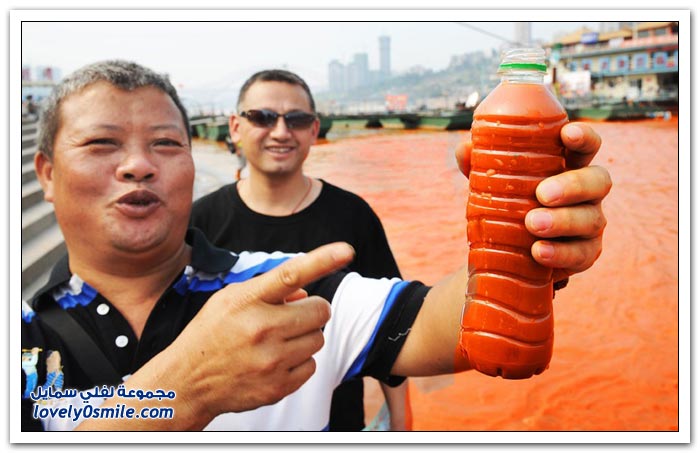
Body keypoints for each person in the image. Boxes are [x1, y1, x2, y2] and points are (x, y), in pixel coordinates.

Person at [21, 60, 611, 431]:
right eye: (101, 143)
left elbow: (441, 320)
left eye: (166, 144)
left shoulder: (292, 288)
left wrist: (528, 247)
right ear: (45, 172)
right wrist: (183, 391)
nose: (138, 166)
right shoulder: (22, 338)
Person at [190, 69, 412, 431]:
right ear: (235, 127)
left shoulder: (353, 215)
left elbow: (394, 330)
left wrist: (402, 423)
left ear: (314, 129)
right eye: (262, 117)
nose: (280, 132)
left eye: (296, 119)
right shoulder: (200, 223)